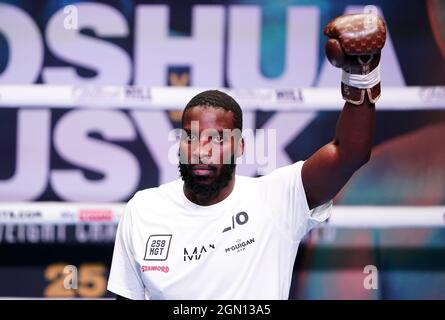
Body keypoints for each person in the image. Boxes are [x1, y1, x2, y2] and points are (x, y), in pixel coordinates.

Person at [107, 13, 386, 300]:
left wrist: (360, 77)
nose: (202, 151)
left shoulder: (276, 198)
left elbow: (349, 154)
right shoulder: (144, 209)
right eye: (191, 138)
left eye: (216, 140)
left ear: (239, 147)